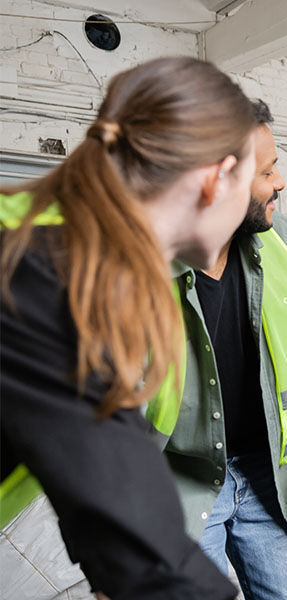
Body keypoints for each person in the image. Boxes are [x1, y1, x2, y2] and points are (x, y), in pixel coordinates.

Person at [0, 56, 258, 599]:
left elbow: (102, 485)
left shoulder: (67, 257)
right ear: (215, 180)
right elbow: (145, 555)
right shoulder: (40, 273)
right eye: (253, 176)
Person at [163, 99, 287, 600]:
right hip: (179, 481)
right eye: (266, 172)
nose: (280, 182)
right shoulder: (141, 268)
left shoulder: (281, 241)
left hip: (266, 470)